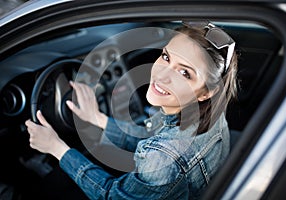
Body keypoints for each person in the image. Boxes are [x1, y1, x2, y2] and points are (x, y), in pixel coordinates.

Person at [25, 22, 238, 200]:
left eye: (184, 72)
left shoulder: (163, 157)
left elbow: (113, 196)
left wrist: (57, 148)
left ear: (206, 92)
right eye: (165, 57)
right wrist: (98, 119)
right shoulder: (209, 113)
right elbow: (151, 137)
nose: (162, 75)